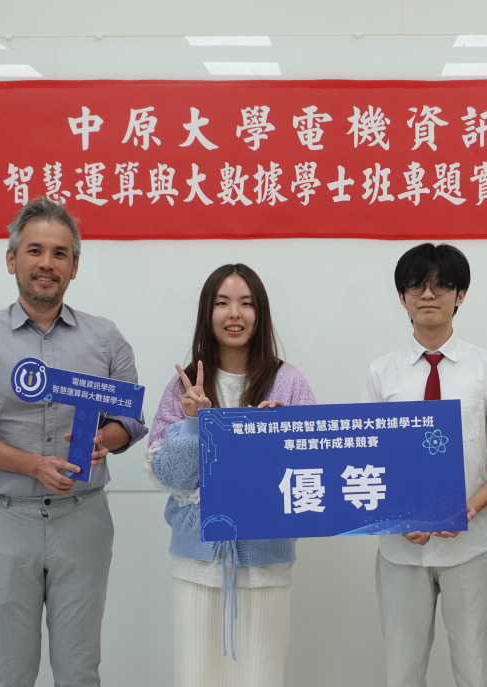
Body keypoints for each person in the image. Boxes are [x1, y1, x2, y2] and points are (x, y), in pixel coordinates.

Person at [0, 198, 148, 687]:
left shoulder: (105, 338)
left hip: (83, 519)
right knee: (10, 671)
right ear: (11, 259)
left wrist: (105, 438)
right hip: (5, 520)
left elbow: (131, 418)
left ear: (75, 265)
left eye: (59, 253)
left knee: (80, 670)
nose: (46, 263)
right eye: (35, 250)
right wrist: (33, 465)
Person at [146, 263, 316, 687]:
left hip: (266, 562)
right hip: (196, 563)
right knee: (196, 678)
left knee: (261, 678)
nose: (234, 313)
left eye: (246, 303)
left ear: (261, 313)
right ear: (208, 312)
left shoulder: (289, 383)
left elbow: (314, 472)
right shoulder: (185, 385)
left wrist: (280, 436)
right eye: (222, 303)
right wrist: (193, 423)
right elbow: (170, 476)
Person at [360, 243, 487, 687]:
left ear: (460, 295)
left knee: (478, 673)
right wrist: (396, 515)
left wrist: (470, 508)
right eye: (416, 286)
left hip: (473, 547)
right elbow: (368, 458)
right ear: (402, 296)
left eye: (441, 285)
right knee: (402, 673)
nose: (428, 295)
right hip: (400, 549)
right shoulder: (381, 373)